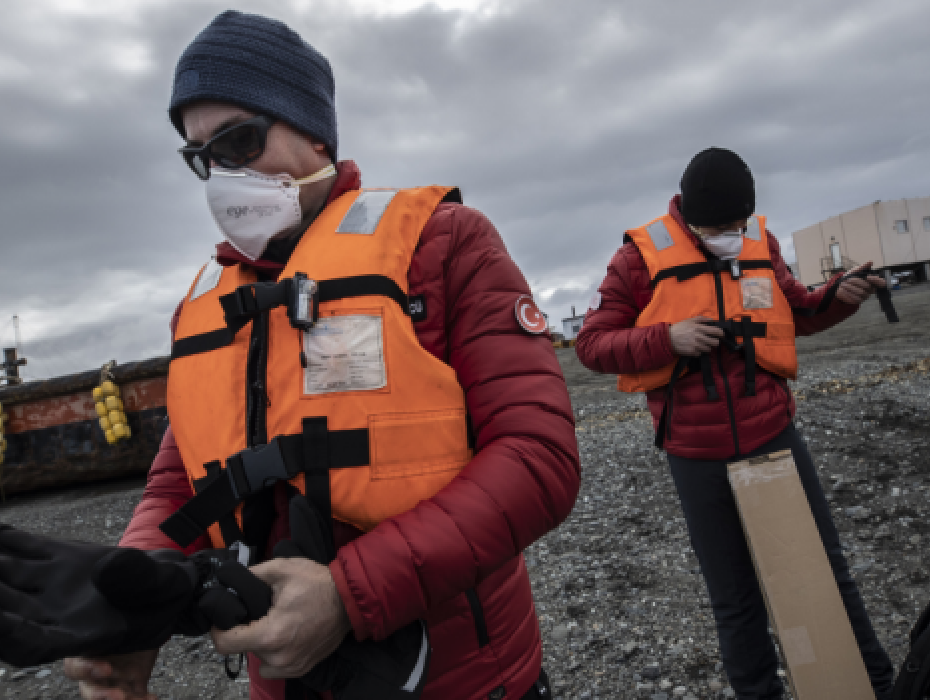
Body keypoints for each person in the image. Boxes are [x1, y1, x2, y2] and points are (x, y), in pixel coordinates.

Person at [63, 11, 580, 700]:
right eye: (202, 158)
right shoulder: (207, 305)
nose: (223, 173)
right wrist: (132, 601)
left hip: (466, 679)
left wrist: (348, 593)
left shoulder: (443, 244)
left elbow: (538, 456)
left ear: (314, 133)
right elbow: (179, 485)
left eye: (239, 140)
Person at [576, 148, 895, 700]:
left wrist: (838, 297)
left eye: (740, 223)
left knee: (823, 570)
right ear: (690, 214)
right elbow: (592, 345)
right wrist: (666, 338)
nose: (733, 232)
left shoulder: (760, 244)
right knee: (735, 595)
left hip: (773, 433)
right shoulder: (636, 259)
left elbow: (795, 313)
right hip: (696, 455)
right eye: (721, 226)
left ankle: (875, 685)